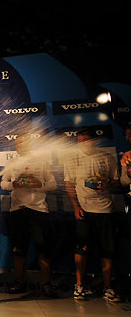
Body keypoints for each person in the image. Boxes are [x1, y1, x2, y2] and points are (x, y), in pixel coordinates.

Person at [64, 128, 121, 302]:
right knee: (81, 249)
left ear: (94, 141)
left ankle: (107, 287)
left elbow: (117, 182)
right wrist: (75, 206)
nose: (82, 143)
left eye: (86, 140)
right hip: (84, 211)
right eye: (79, 140)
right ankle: (79, 286)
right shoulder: (72, 159)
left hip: (105, 210)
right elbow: (69, 184)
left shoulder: (107, 158)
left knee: (107, 250)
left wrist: (107, 184)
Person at [0, 133, 58, 298]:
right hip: (17, 211)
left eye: (22, 142)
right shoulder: (12, 163)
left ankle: (46, 284)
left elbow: (53, 184)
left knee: (43, 250)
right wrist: (14, 184)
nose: (19, 145)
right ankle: (19, 282)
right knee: (18, 250)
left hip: (39, 210)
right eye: (17, 143)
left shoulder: (41, 161)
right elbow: (3, 183)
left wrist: (39, 185)